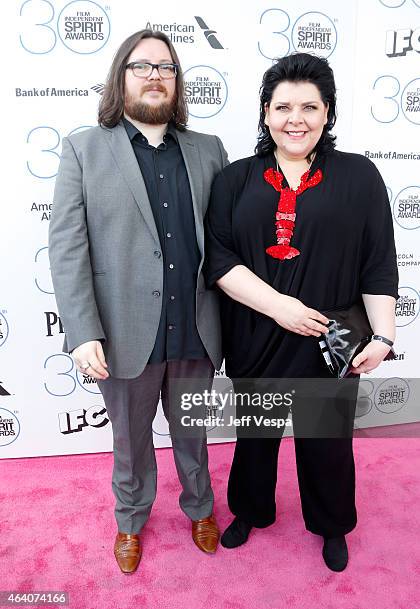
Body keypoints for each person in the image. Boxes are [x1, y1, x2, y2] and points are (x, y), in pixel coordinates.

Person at [204, 53, 398, 572]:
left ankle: (332, 526)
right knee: (255, 439)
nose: (297, 119)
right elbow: (219, 260)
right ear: (265, 113)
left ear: (328, 112)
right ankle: (249, 511)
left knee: (327, 444)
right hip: (255, 331)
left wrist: (382, 336)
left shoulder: (360, 176)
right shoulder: (234, 180)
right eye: (283, 106)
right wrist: (280, 308)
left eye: (310, 107)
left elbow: (378, 262)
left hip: (330, 339)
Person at [49, 29, 228, 574]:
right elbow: (67, 245)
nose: (155, 75)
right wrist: (82, 331)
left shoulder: (208, 150)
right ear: (120, 77)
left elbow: (225, 241)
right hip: (125, 330)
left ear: (176, 82)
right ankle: (130, 519)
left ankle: (200, 508)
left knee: (192, 431)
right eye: (141, 66)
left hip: (196, 326)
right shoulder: (84, 147)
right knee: (129, 439)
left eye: (166, 67)